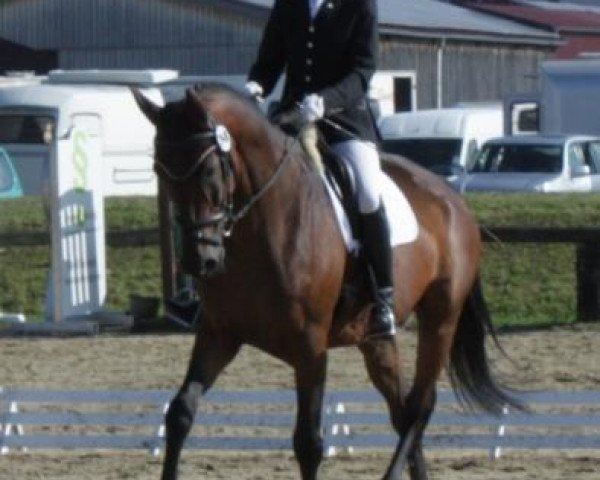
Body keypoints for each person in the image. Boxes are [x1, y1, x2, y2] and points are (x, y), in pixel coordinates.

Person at [245, 0, 396, 339]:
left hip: (344, 119)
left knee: (369, 193)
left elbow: (362, 70)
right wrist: (257, 84)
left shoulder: (360, 6)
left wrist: (327, 100)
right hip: (292, 118)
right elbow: (270, 59)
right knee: (247, 177)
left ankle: (383, 297)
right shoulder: (288, 4)